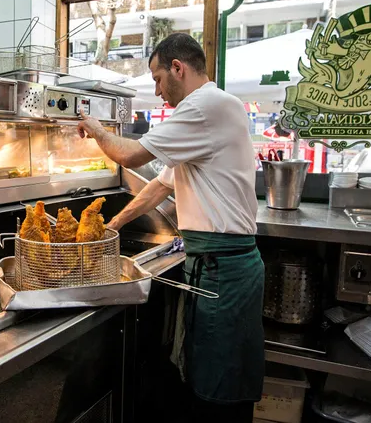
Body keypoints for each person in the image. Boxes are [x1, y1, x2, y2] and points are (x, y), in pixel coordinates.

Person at [77, 33, 263, 421]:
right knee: (207, 376)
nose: (158, 90)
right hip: (213, 265)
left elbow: (128, 154)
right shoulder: (208, 113)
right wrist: (113, 225)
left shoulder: (204, 107)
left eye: (158, 78)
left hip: (223, 268)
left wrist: (93, 127)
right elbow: (160, 185)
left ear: (178, 67)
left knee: (219, 387)